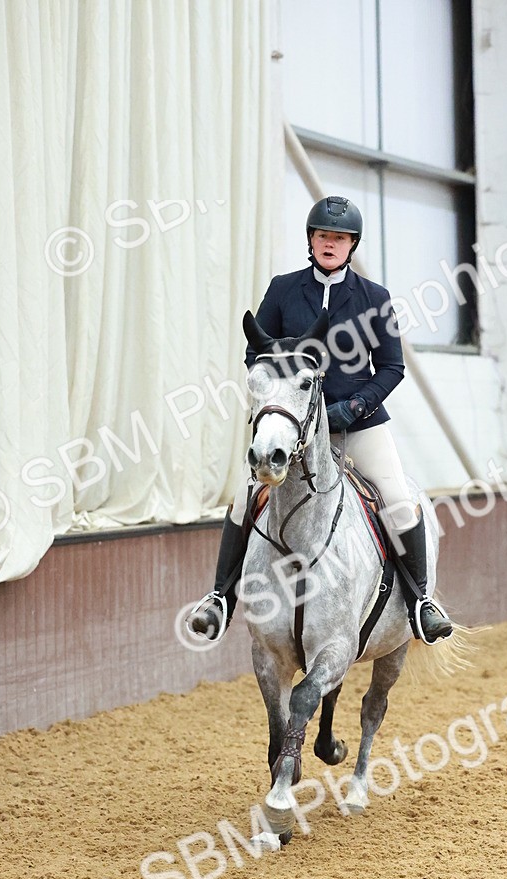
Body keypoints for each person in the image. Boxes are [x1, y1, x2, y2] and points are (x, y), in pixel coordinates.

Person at [192, 194, 453, 644]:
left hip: (358, 423)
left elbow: (392, 367)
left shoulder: (374, 298)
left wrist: (352, 407)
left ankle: (420, 602)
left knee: (396, 498)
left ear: (352, 245)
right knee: (243, 498)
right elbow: (258, 352)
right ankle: (219, 599)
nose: (329, 244)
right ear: (310, 240)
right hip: (294, 425)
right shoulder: (282, 289)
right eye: (323, 236)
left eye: (339, 238)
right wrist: (282, 387)